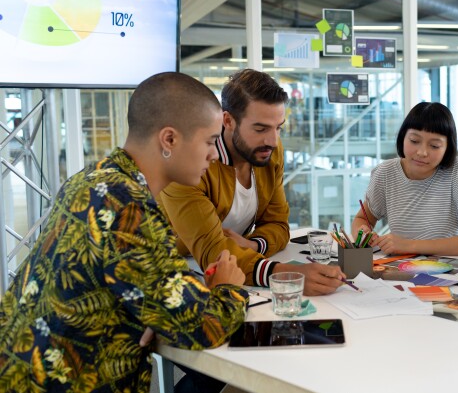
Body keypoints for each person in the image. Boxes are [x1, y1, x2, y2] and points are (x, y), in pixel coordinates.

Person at [0, 72, 248, 392]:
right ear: (169, 139)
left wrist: (153, 313)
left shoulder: (93, 178)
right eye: (210, 141)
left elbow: (114, 282)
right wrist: (229, 289)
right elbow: (201, 328)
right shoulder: (130, 208)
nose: (215, 155)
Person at [159, 69, 345, 296]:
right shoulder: (188, 165)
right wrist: (284, 274)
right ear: (228, 120)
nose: (273, 141)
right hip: (179, 276)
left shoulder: (267, 152)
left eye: (279, 127)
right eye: (260, 129)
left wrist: (255, 245)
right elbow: (212, 250)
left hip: (241, 269)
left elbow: (279, 225)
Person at [351, 102, 458, 256]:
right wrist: (362, 232)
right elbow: (362, 219)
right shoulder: (385, 172)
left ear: (448, 148)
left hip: (447, 268)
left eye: (434, 146)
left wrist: (409, 245)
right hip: (399, 268)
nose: (422, 152)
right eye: (414, 141)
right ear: (403, 137)